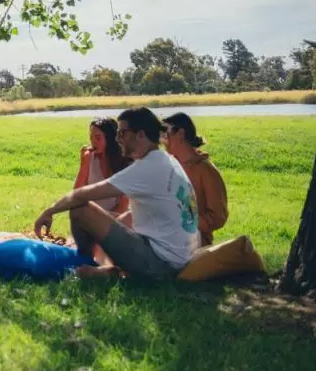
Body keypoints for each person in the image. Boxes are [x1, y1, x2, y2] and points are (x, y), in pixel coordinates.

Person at [33, 107, 200, 279]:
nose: (117, 139)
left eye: (122, 133)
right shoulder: (165, 160)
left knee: (80, 208)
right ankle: (111, 271)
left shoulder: (146, 167)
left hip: (162, 264)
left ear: (140, 135)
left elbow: (80, 195)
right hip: (181, 258)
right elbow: (132, 215)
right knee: (121, 219)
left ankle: (85, 262)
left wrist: (49, 211)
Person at [161, 112, 228, 246]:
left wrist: (183, 218)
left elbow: (217, 218)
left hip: (194, 242)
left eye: (165, 135)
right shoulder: (169, 165)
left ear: (180, 133)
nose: (163, 141)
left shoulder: (206, 170)